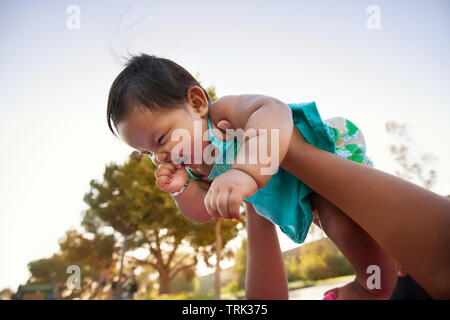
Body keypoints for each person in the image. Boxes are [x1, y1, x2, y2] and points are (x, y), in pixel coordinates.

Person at [107, 54, 450, 299]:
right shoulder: (197, 167)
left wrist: (245, 169)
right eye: (147, 154)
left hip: (322, 170)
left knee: (348, 230)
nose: (159, 156)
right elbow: (202, 211)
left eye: (161, 139)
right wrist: (181, 188)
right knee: (358, 246)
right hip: (305, 203)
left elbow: (272, 111)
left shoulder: (223, 113)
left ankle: (381, 275)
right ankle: (378, 281)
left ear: (196, 103)